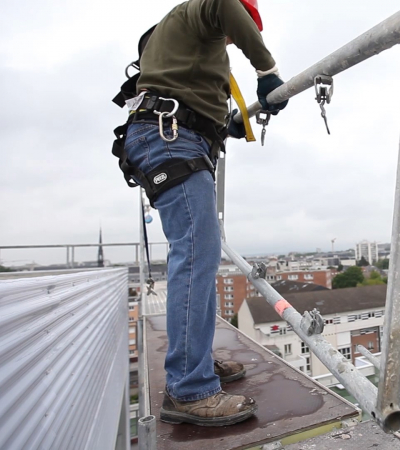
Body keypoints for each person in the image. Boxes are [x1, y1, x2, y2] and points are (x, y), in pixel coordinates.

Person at [122, 0, 288, 426]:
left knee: (200, 255)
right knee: (196, 254)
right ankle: (189, 389)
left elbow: (190, 92)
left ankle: (195, 362)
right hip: (169, 137)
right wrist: (266, 71)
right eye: (241, 28)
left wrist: (222, 126)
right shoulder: (204, 10)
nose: (231, 39)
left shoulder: (190, 44)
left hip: (175, 136)